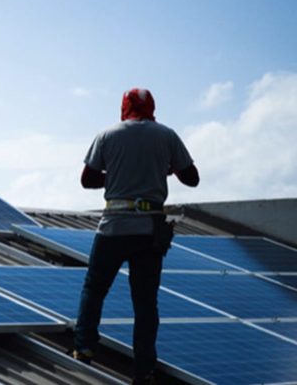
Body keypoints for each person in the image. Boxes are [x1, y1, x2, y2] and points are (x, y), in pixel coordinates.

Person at [72, 88, 199, 385]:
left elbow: (87, 179)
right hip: (148, 230)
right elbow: (191, 178)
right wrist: (161, 170)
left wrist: (116, 175)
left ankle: (84, 346)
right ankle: (143, 370)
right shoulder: (166, 135)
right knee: (145, 303)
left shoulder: (107, 135)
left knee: (95, 288)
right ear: (152, 108)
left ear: (124, 108)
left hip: (113, 227)